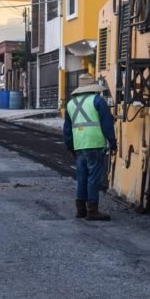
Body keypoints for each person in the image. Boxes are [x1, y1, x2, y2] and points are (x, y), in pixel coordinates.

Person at [63, 74, 117, 221]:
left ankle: (80, 209)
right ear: (92, 88)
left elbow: (67, 129)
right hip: (94, 144)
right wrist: (113, 142)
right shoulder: (97, 100)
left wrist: (70, 146)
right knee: (93, 177)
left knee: (82, 177)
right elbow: (107, 124)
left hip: (79, 145)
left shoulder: (70, 104)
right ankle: (92, 210)